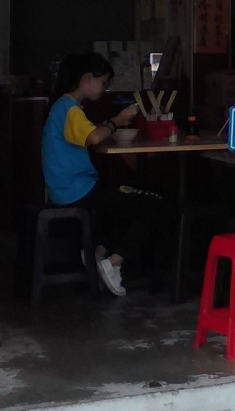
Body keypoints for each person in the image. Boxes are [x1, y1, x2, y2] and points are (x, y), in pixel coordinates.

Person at [42, 53, 158, 296]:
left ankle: (97, 253)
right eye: (103, 82)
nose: (105, 88)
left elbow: (89, 134)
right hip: (75, 189)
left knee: (121, 198)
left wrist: (110, 124)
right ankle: (113, 262)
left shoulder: (63, 106)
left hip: (67, 188)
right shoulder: (70, 109)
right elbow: (93, 137)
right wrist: (117, 120)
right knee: (150, 206)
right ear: (87, 79)